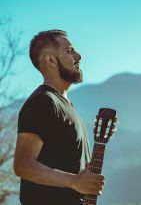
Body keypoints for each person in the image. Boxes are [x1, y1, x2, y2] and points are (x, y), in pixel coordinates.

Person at [13, 30, 105, 205]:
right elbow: (23, 165)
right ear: (51, 60)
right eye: (69, 50)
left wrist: (86, 181)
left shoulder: (66, 105)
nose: (79, 56)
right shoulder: (42, 102)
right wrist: (75, 181)